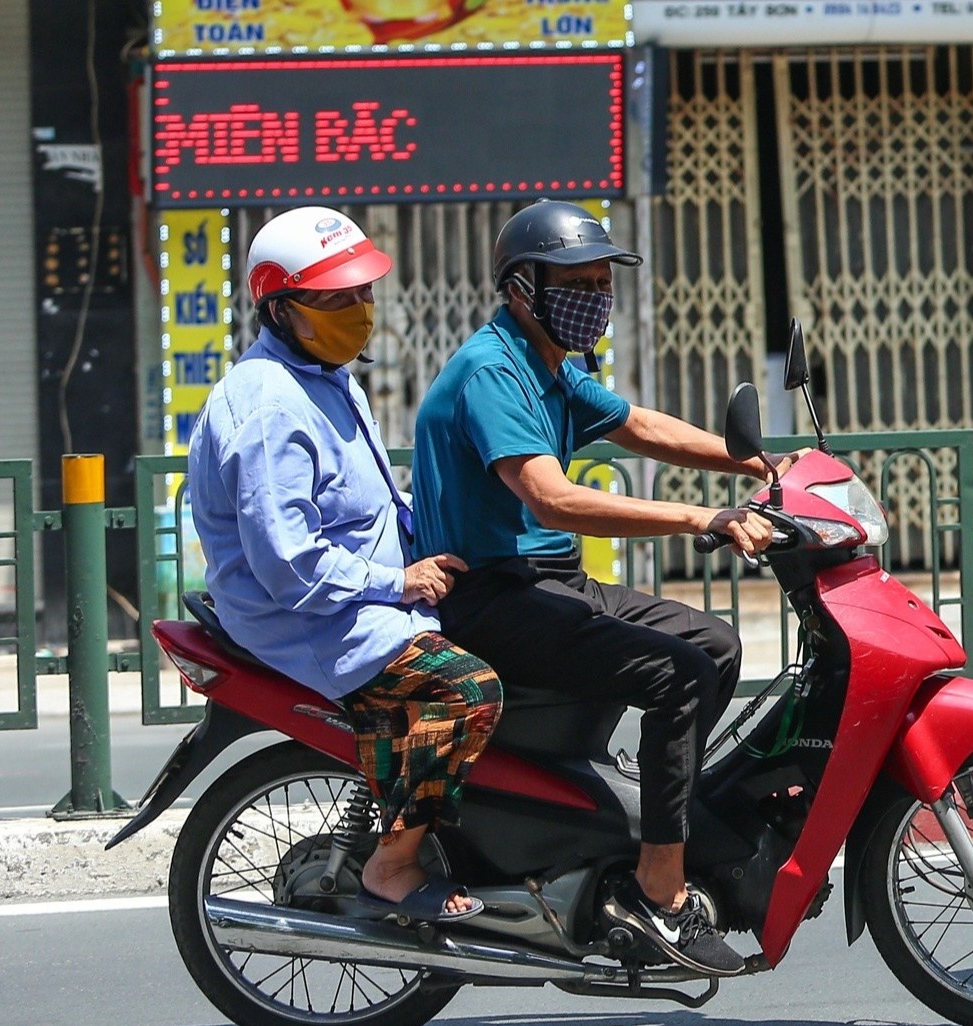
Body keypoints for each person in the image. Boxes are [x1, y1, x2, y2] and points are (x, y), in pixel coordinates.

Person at [410, 200, 795, 976]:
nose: (595, 296)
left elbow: (637, 426)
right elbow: (553, 499)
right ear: (522, 288)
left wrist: (755, 463)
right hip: (493, 595)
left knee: (715, 643)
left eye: (601, 282)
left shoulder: (552, 364)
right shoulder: (494, 371)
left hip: (550, 581)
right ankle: (659, 892)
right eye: (577, 283)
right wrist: (704, 518)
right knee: (676, 675)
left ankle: (660, 818)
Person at [187, 206, 504, 924]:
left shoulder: (329, 377)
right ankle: (392, 868)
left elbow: (373, 502)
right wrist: (397, 581)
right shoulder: (268, 406)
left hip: (359, 597)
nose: (357, 311)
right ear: (280, 308)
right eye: (334, 300)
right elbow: (289, 565)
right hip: (309, 617)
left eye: (362, 293)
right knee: (467, 690)